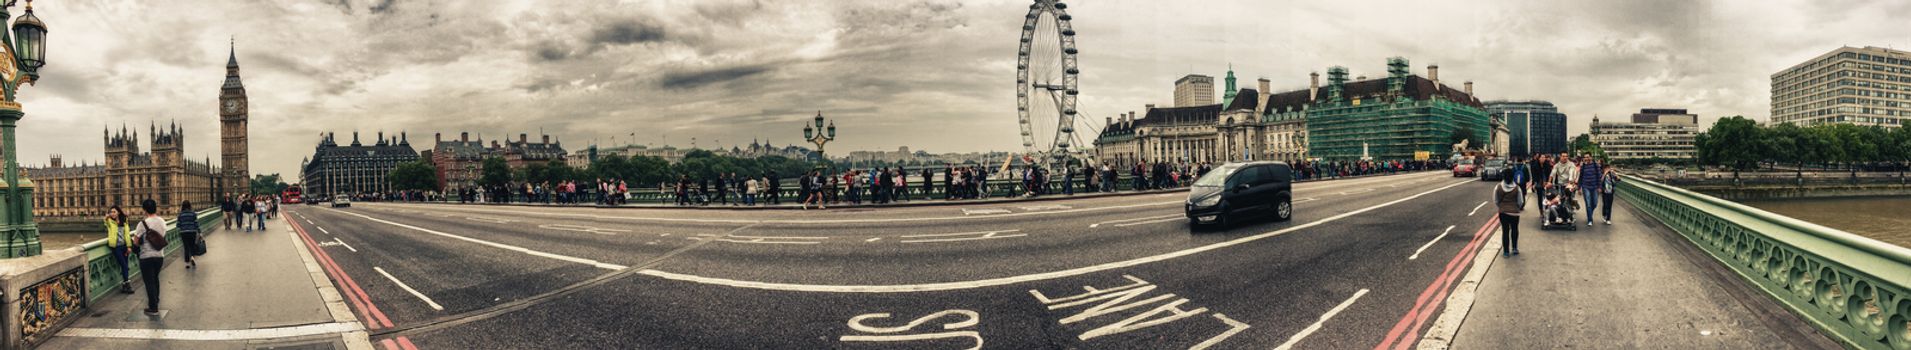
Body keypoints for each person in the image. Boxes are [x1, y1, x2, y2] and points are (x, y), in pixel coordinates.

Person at [131, 199, 168, 316]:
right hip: (159, 255)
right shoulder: (162, 221)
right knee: (155, 278)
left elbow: (136, 242)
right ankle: (155, 300)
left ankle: (153, 308)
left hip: (146, 256)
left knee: (149, 282)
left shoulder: (142, 224)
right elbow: (162, 235)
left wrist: (135, 240)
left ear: (144, 210)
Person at [104, 206, 136, 294]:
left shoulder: (124, 221)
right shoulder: (109, 221)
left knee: (125, 265)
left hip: (124, 246)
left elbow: (127, 234)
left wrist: (129, 246)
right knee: (124, 265)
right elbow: (105, 223)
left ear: (118, 212)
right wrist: (106, 218)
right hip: (116, 247)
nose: (112, 214)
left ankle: (125, 285)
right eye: (111, 212)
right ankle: (127, 285)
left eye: (114, 212)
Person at [1495, 175, 1523, 257]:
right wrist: (1516, 207)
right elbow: (1520, 201)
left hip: (1503, 212)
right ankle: (1514, 248)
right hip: (1514, 212)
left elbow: (1496, 200)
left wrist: (1501, 206)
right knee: (1514, 229)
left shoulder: (1498, 187)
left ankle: (1506, 252)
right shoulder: (1517, 188)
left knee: (1505, 231)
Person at [1578, 156, 1604, 226]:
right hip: (1585, 186)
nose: (1587, 158)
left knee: (1595, 203)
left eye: (1588, 157)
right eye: (1585, 157)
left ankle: (1590, 213)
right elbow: (1580, 177)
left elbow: (1599, 176)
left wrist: (1599, 187)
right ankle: (1590, 220)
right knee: (1588, 204)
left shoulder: (1596, 165)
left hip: (1595, 187)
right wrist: (1579, 188)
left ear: (1591, 157)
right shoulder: (1583, 166)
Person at [178, 201, 202, 269]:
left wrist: (183, 226)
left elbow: (178, 225)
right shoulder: (193, 214)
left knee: (186, 247)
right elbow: (196, 224)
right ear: (189, 206)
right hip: (192, 232)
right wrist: (200, 232)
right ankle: (192, 257)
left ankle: (187, 263)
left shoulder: (180, 214)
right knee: (192, 246)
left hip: (184, 232)